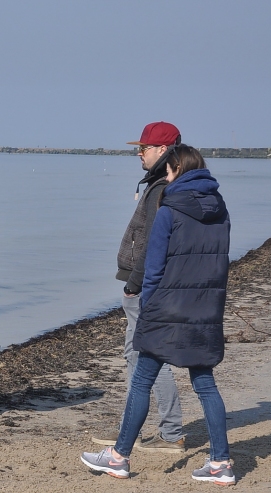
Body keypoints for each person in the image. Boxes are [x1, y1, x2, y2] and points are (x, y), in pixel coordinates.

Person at [82, 145, 234, 485]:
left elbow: (153, 268)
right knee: (205, 384)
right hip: (205, 308)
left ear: (177, 167)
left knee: (141, 381)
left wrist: (146, 305)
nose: (165, 175)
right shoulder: (221, 210)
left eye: (168, 170)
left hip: (165, 308)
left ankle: (118, 457)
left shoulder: (169, 208)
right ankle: (221, 463)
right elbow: (218, 262)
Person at [92, 122, 186, 454]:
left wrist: (133, 285)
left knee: (145, 356)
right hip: (146, 283)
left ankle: (170, 434)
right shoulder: (163, 183)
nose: (139, 153)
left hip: (146, 285)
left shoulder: (162, 187)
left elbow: (152, 243)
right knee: (138, 356)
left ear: (163, 151)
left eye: (144, 148)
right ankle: (138, 432)